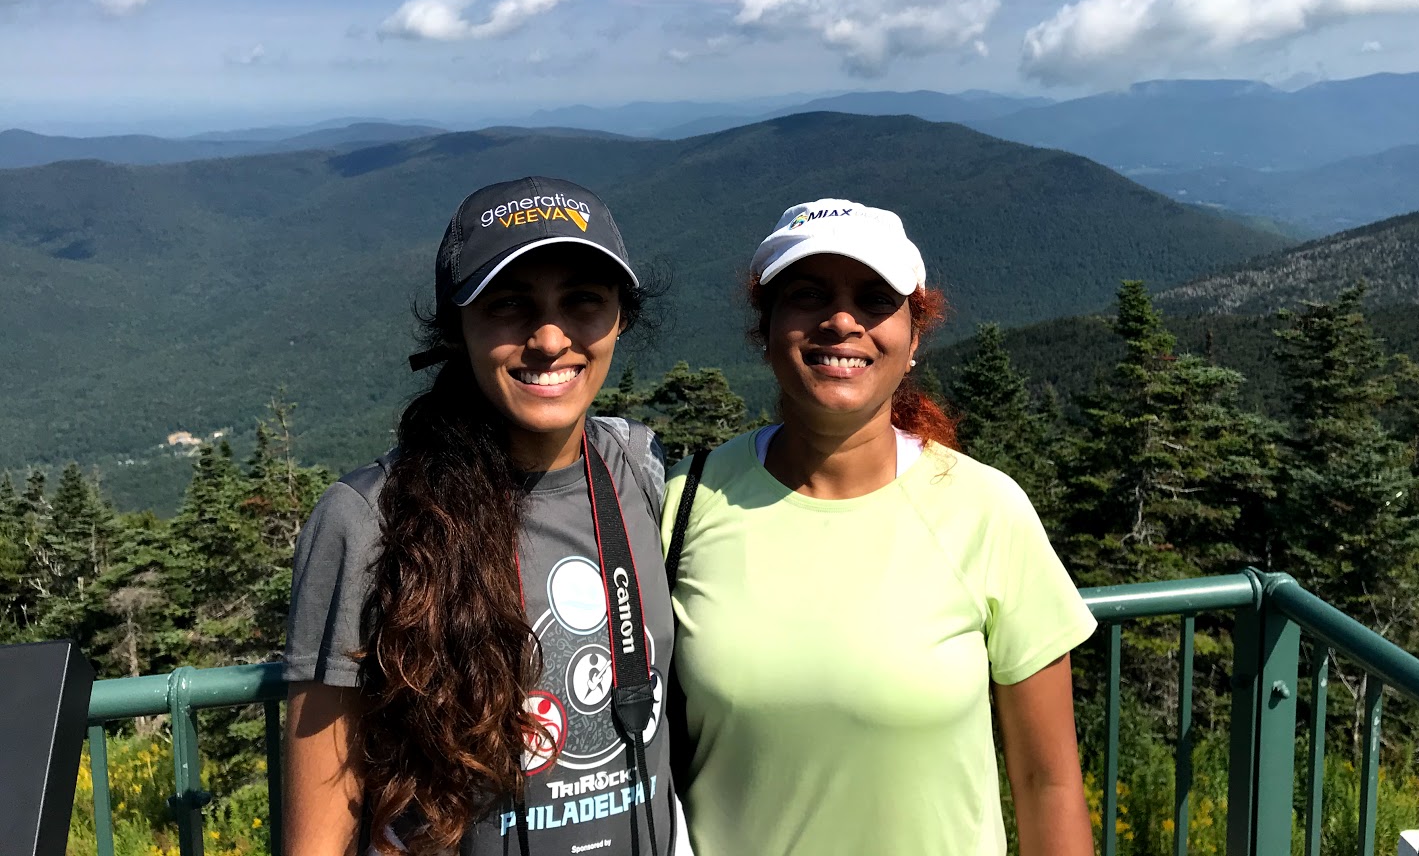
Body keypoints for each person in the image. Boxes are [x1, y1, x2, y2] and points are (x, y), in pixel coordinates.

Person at [662, 199, 1098, 856]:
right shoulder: (683, 505)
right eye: (807, 296)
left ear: (914, 338)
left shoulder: (986, 510)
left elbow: (1049, 782)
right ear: (768, 330)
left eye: (873, 299)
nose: (841, 321)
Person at [284, 176, 680, 856]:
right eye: (509, 306)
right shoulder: (368, 519)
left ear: (620, 318)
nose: (551, 338)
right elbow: (318, 836)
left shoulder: (636, 473)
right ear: (456, 330)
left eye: (583, 302)